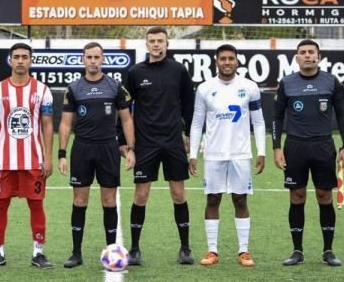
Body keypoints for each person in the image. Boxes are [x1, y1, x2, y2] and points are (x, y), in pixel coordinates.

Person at [272, 39, 344, 267]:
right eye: (303, 52)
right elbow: (276, 117)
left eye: (311, 52)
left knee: (324, 196)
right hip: (295, 147)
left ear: (319, 56)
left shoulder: (331, 82)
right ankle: (297, 251)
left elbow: (342, 115)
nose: (307, 56)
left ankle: (328, 251)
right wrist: (276, 147)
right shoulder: (286, 83)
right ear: (296, 57)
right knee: (297, 196)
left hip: (323, 146)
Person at [58, 42, 136, 268]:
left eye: (97, 57)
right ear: (83, 59)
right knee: (79, 201)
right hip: (82, 148)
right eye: (89, 57)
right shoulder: (73, 88)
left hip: (108, 149)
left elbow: (127, 119)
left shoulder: (115, 87)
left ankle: (112, 251)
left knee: (109, 200)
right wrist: (62, 153)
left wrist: (131, 148)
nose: (93, 61)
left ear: (103, 59)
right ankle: (76, 253)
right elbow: (65, 123)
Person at [188, 44, 266, 267]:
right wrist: (193, 154)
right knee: (213, 198)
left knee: (240, 199)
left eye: (231, 58)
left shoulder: (249, 87)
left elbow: (258, 122)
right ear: (216, 62)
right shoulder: (205, 88)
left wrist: (261, 151)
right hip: (213, 154)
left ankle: (244, 251)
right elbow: (196, 124)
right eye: (223, 58)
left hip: (241, 154)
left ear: (237, 61)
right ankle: (212, 250)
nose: (227, 62)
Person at [126, 26, 195, 265]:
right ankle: (134, 248)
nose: (156, 45)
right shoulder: (135, 72)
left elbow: (189, 104)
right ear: (146, 44)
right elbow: (124, 110)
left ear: (167, 44)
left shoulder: (178, 71)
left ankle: (185, 248)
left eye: (160, 41)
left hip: (173, 142)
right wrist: (127, 145)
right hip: (146, 144)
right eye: (152, 41)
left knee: (178, 194)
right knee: (141, 195)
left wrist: (188, 135)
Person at [0, 42, 54, 269]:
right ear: (10, 60)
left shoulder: (42, 90)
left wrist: (48, 157)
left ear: (31, 60)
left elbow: (47, 125)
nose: (21, 61)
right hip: (3, 161)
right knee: (0, 205)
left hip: (33, 161)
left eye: (25, 56)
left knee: (36, 205)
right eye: (16, 57)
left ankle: (38, 253)